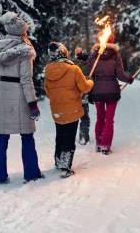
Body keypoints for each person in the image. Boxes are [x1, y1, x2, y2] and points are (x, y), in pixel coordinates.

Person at [0, 12, 43, 186]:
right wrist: (32, 103)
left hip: (2, 92)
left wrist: (3, 89)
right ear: (22, 32)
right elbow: (26, 79)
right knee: (27, 135)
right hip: (19, 93)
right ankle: (32, 173)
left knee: (1, 137)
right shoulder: (25, 50)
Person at [44, 42, 94, 178]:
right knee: (69, 138)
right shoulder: (74, 69)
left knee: (60, 136)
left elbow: (48, 92)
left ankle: (58, 160)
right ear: (64, 52)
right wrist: (90, 81)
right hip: (72, 110)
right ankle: (66, 166)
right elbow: (84, 88)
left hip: (57, 110)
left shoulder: (48, 70)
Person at [87, 33, 134, 155]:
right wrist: (129, 79)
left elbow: (89, 71)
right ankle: (105, 145)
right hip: (112, 91)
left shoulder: (95, 54)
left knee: (100, 117)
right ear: (112, 41)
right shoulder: (115, 55)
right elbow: (120, 75)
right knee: (109, 119)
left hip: (97, 90)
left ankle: (99, 143)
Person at [72, 47, 91, 145]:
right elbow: (90, 79)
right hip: (83, 96)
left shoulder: (71, 65)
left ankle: (72, 137)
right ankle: (83, 137)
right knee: (84, 118)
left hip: (73, 96)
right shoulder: (87, 65)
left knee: (73, 117)